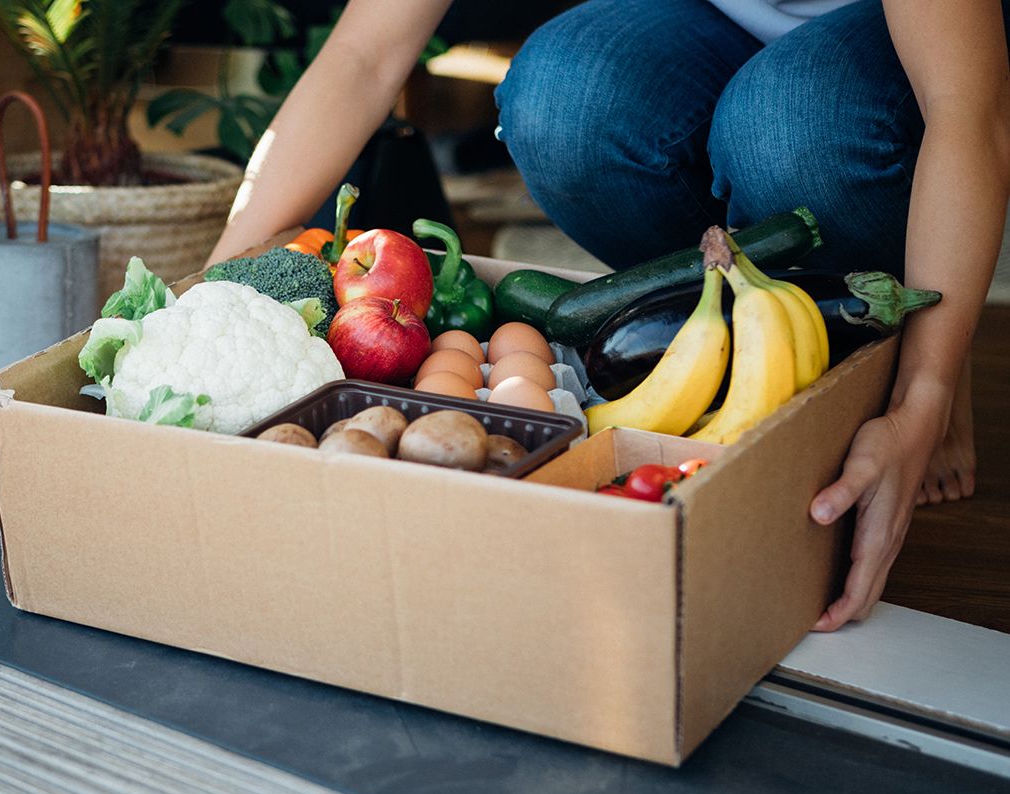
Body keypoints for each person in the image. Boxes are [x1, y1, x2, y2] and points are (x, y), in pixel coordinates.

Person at [205, 0, 1010, 631]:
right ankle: (731, 333)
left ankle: (904, 316)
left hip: (899, 48)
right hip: (706, 23)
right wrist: (217, 281)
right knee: (565, 98)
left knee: (787, 131)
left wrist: (925, 394)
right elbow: (365, 50)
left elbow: (967, 109)